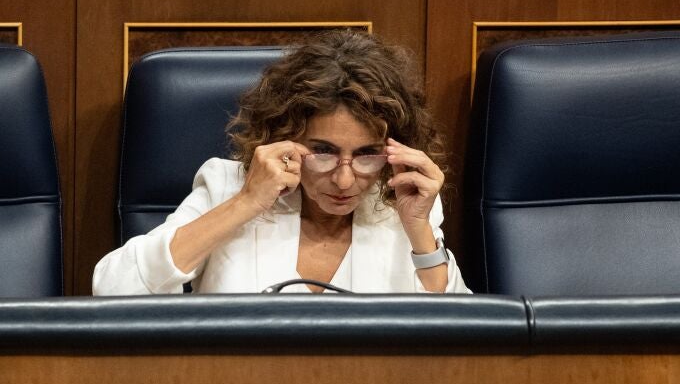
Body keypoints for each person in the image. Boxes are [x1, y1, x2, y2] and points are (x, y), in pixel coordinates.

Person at [93, 30, 470, 295]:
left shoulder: (401, 202)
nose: (343, 180)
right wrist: (246, 203)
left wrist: (420, 232)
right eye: (322, 151)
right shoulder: (228, 186)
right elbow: (112, 289)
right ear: (285, 136)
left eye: (366, 154)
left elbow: (459, 336)